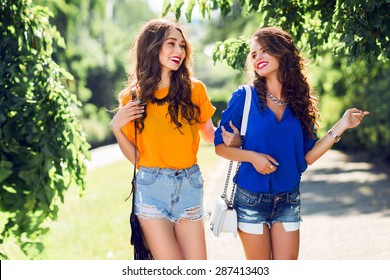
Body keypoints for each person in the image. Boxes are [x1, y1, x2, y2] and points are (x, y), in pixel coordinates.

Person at [214, 26, 370, 260]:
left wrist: (343, 125)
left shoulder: (300, 101)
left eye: (265, 50)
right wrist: (251, 156)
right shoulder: (244, 97)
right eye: (254, 54)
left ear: (282, 52)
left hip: (288, 198)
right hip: (250, 199)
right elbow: (219, 147)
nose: (258, 58)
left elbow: (306, 157)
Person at [110, 18, 238, 260]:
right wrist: (117, 127)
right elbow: (137, 158)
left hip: (189, 186)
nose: (179, 51)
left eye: (182, 46)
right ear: (152, 46)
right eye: (171, 44)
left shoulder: (195, 90)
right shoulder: (132, 98)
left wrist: (231, 138)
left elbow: (210, 135)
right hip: (151, 189)